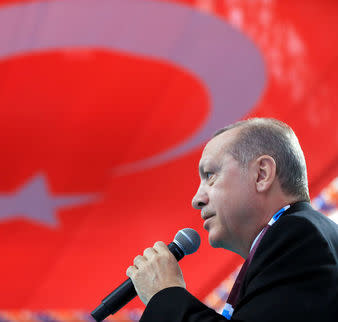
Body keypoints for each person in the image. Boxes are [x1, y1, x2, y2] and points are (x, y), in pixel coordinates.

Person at [126, 118, 338, 322]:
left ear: (261, 174)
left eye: (210, 175)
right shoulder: (307, 235)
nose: (196, 200)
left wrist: (165, 294)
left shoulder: (298, 235)